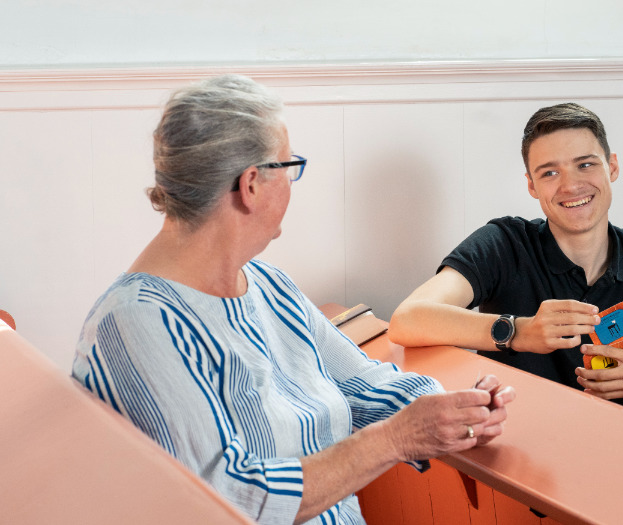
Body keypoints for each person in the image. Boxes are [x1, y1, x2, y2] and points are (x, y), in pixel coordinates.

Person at [72, 74, 515, 525]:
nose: (292, 181)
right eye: (289, 166)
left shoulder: (269, 285)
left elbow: (363, 385)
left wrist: (454, 411)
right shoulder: (137, 323)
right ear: (251, 184)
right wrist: (394, 440)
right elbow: (231, 500)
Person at [389, 102, 623, 412]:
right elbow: (407, 320)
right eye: (550, 173)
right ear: (532, 186)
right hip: (514, 449)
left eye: (585, 164)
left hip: (617, 453)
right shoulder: (504, 242)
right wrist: (519, 331)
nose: (570, 185)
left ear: (612, 167)